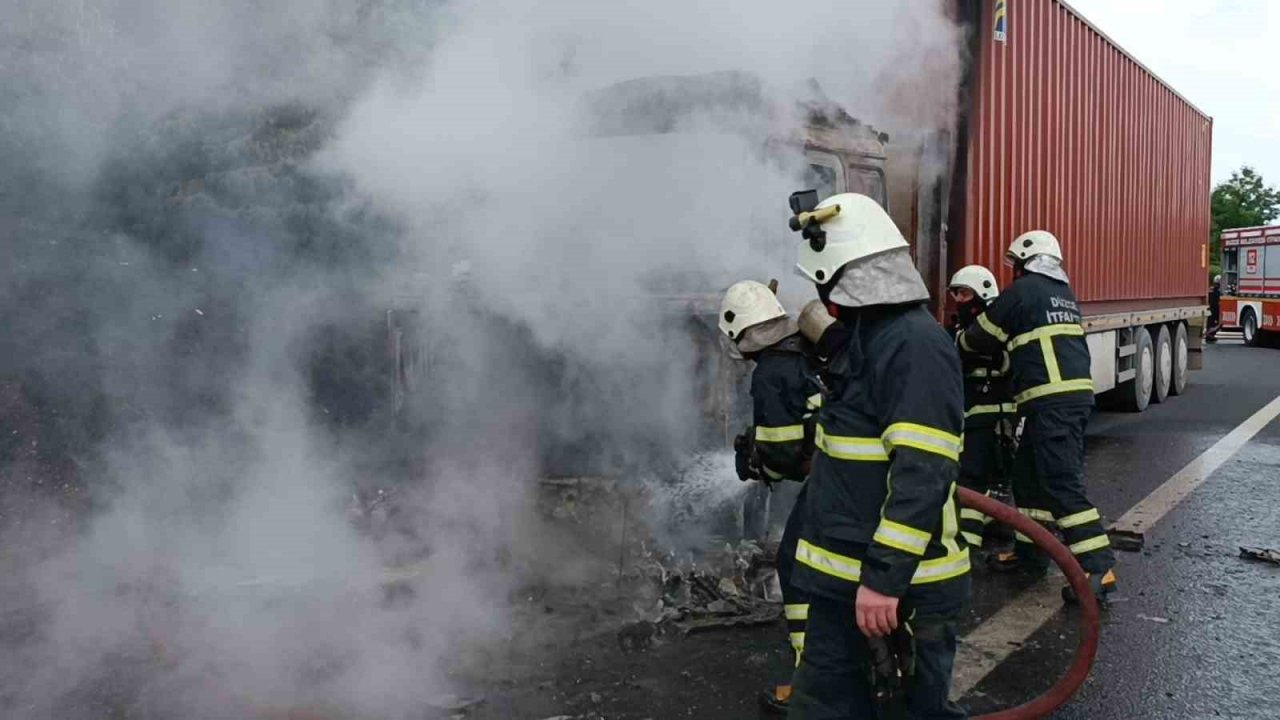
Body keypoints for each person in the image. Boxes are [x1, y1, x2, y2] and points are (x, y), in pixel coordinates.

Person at [786, 192, 969, 719]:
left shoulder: (913, 344)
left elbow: (923, 471)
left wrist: (883, 582)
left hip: (896, 593)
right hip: (843, 583)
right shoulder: (869, 337)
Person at [959, 230, 1116, 602]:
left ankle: (1099, 567)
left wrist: (954, 342)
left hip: (1053, 404)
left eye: (1015, 265)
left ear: (1028, 261)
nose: (1013, 273)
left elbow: (978, 338)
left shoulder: (1024, 291)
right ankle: (1031, 553)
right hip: (1056, 402)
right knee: (1027, 478)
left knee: (1061, 483)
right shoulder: (1060, 293)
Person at [719, 280, 825, 714]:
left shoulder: (770, 372)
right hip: (854, 472)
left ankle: (812, 683)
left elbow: (781, 454)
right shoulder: (803, 350)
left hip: (832, 479)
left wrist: (760, 464)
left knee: (796, 566)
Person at [947, 266, 1016, 553]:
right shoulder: (959, 331)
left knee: (982, 477)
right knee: (973, 477)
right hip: (971, 418)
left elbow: (1009, 365)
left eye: (965, 293)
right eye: (956, 294)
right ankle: (979, 535)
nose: (959, 300)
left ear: (983, 294)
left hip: (997, 419)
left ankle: (971, 541)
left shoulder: (998, 331)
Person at [1206, 274, 1223, 342]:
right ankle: (1209, 334)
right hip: (1215, 309)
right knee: (1216, 323)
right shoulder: (1217, 291)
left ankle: (1210, 335)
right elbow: (1218, 299)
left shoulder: (1211, 289)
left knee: (1210, 322)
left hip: (1211, 308)